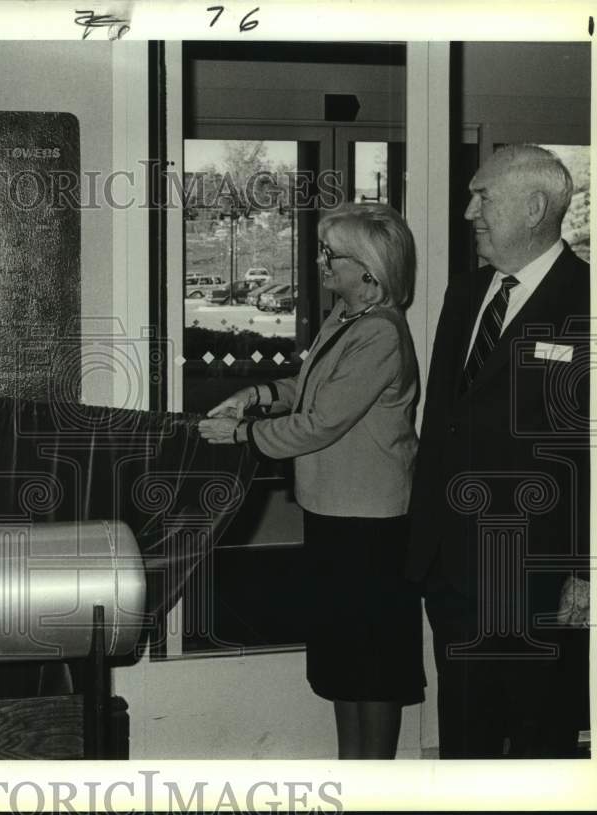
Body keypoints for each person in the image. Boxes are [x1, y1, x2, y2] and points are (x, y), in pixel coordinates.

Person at [198, 202, 424, 759]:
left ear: (368, 271)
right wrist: (255, 395)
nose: (321, 262)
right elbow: (309, 386)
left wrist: (243, 435)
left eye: (332, 254)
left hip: (371, 525)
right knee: (345, 665)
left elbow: (322, 423)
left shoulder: (381, 334)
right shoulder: (345, 318)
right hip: (335, 514)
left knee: (371, 671)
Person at [406, 144, 590, 759]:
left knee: (542, 742)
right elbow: (442, 426)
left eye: (483, 196)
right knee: (465, 737)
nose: (468, 211)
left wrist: (586, 568)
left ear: (535, 207)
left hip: (538, 574)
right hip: (452, 569)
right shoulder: (464, 296)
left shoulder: (585, 302)